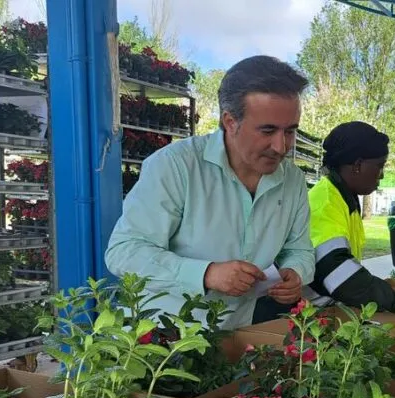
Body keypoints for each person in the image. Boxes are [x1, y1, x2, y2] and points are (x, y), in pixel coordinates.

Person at [105, 56, 315, 329]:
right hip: (160, 342)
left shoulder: (293, 180)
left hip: (238, 334)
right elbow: (124, 251)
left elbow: (299, 249)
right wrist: (205, 274)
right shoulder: (176, 166)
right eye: (268, 130)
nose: (280, 146)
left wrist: (295, 272)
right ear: (229, 121)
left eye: (290, 131)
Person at [305, 121, 395, 313]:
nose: (382, 175)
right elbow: (339, 276)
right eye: (380, 166)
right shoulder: (326, 202)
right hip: (305, 319)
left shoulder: (343, 198)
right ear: (358, 165)